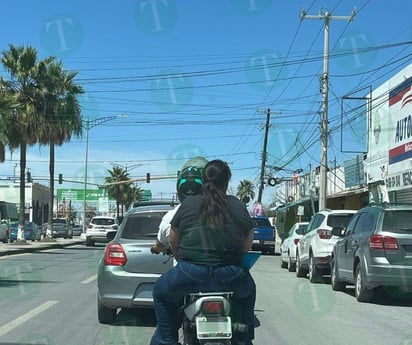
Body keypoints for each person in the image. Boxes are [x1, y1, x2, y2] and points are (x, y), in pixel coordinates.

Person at [150, 159, 256, 345]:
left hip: (189, 273)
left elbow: (173, 237)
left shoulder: (189, 204)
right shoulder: (238, 205)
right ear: (227, 181)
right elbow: (247, 245)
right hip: (231, 274)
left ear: (203, 179)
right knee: (248, 292)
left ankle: (166, 340)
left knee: (160, 292)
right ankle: (243, 340)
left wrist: (179, 256)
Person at [150, 156, 208, 255]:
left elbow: (160, 245)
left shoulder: (171, 216)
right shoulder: (225, 212)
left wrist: (155, 248)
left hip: (185, 268)